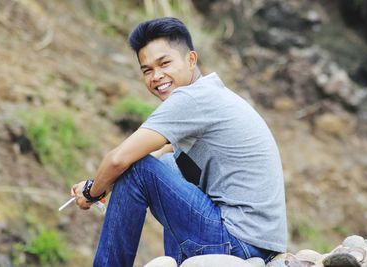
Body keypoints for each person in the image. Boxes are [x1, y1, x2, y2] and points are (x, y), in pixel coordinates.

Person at [71, 17, 287, 267]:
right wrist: (106, 182)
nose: (157, 76)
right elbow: (160, 156)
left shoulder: (191, 99)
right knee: (165, 162)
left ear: (191, 59)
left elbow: (119, 159)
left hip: (238, 242)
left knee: (137, 168)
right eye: (147, 70)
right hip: (256, 243)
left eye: (164, 63)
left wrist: (91, 192)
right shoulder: (211, 93)